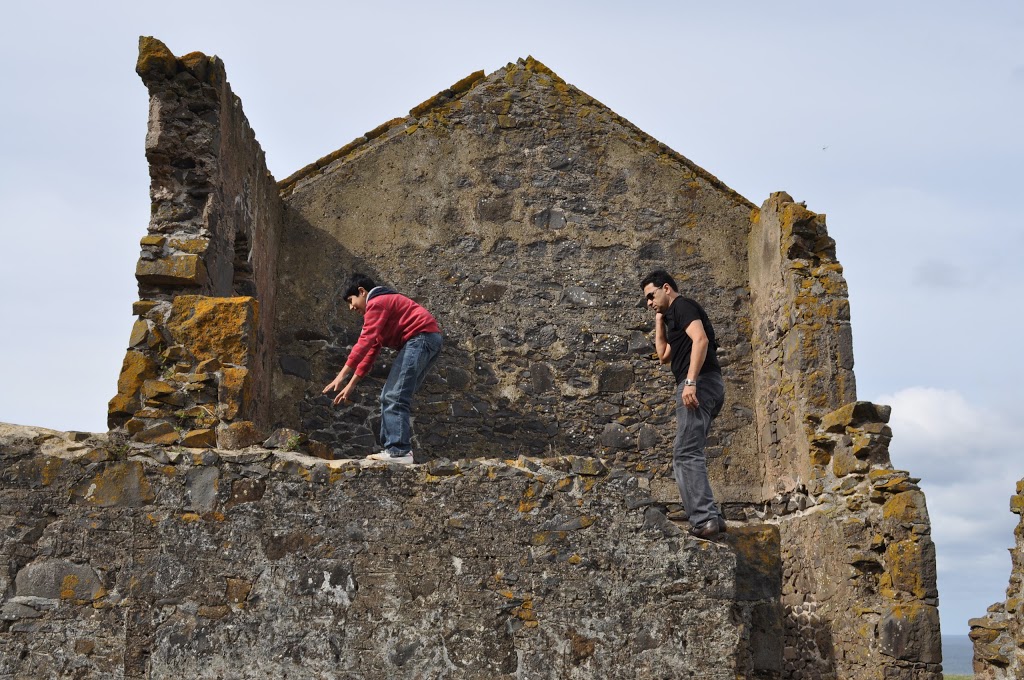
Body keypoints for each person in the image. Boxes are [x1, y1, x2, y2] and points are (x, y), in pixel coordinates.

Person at [641, 270, 727, 539]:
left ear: (666, 288)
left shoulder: (682, 305)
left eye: (651, 296)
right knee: (688, 451)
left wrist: (690, 382)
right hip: (704, 383)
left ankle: (704, 519)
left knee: (686, 453)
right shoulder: (672, 316)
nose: (649, 302)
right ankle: (711, 517)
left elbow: (700, 340)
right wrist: (659, 320)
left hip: (699, 382)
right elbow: (663, 355)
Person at [323, 274, 442, 464]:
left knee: (394, 395)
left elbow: (364, 342)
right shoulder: (380, 308)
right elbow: (370, 351)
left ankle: (399, 451)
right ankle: (395, 450)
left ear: (362, 291)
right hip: (427, 340)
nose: (351, 307)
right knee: (393, 395)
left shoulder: (377, 303)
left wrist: (340, 376)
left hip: (421, 339)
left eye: (351, 301)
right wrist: (351, 384)